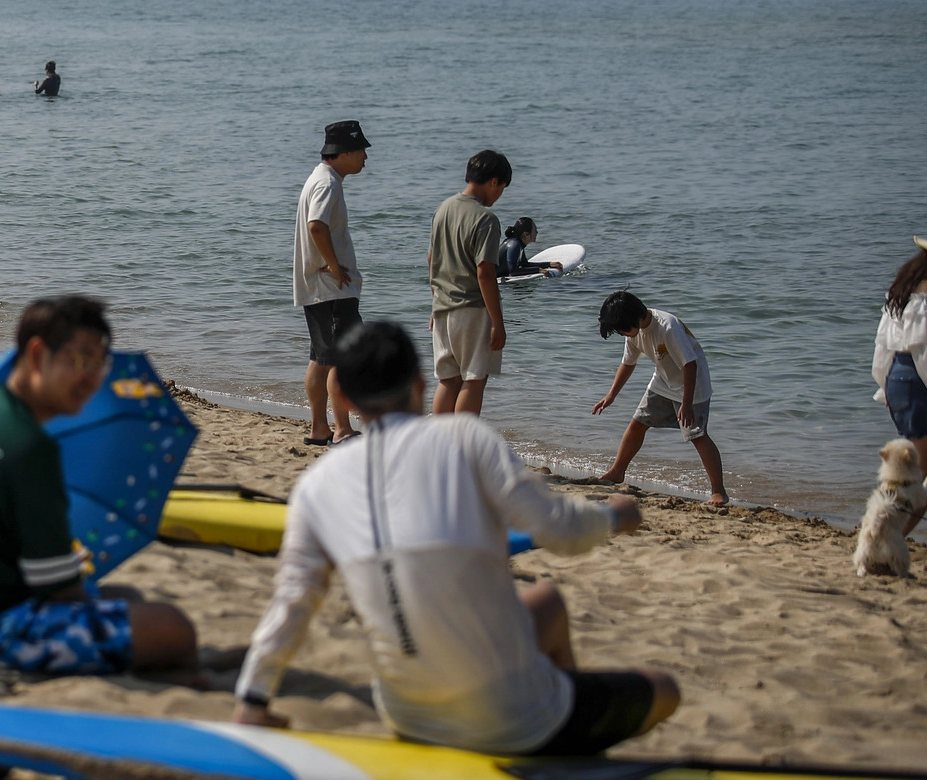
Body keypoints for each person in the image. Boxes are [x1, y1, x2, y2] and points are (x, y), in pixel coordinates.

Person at [232, 321, 681, 755]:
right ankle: (552, 737)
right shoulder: (467, 438)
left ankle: (553, 726)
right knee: (665, 690)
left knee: (547, 603)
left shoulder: (317, 483)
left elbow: (293, 600)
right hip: (507, 720)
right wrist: (612, 517)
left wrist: (252, 700)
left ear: (344, 398)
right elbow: (561, 532)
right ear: (421, 385)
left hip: (408, 716)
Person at [0, 295, 199, 678]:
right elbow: (60, 590)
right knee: (173, 626)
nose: (90, 379)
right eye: (79, 361)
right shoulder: (29, 448)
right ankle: (187, 670)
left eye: (98, 365)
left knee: (128, 598)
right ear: (37, 353)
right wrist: (79, 587)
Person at [592, 291, 728, 506]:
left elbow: (690, 364)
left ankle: (719, 491)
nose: (624, 334)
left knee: (697, 435)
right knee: (637, 424)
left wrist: (686, 403)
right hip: (663, 381)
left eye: (623, 329)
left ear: (635, 317)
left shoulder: (667, 327)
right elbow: (628, 363)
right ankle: (617, 472)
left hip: (693, 384)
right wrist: (611, 395)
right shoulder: (633, 332)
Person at [294, 120, 371, 447]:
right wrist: (334, 265)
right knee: (343, 356)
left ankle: (319, 428)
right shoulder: (328, 184)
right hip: (332, 288)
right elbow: (316, 225)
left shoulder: (320, 178)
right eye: (361, 151)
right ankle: (341, 428)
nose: (365, 158)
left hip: (317, 287)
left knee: (321, 357)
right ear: (346, 152)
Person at [428, 150, 513, 416]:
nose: (499, 196)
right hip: (472, 309)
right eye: (502, 189)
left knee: (449, 380)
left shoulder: (444, 209)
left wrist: (435, 305)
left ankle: (439, 444)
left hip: (442, 309)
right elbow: (485, 273)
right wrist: (498, 323)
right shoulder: (485, 219)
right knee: (474, 380)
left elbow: (432, 259)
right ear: (494, 182)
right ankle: (463, 446)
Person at [873, 238, 927, 463]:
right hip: (919, 380)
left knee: (914, 464)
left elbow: (883, 346)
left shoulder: (902, 292)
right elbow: (923, 351)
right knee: (921, 467)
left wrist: (884, 385)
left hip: (897, 378)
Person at [497, 217, 563, 278]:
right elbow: (513, 271)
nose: (537, 232)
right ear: (526, 234)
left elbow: (524, 264)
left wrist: (549, 264)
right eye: (535, 230)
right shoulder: (514, 244)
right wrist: (539, 270)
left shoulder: (518, 244)